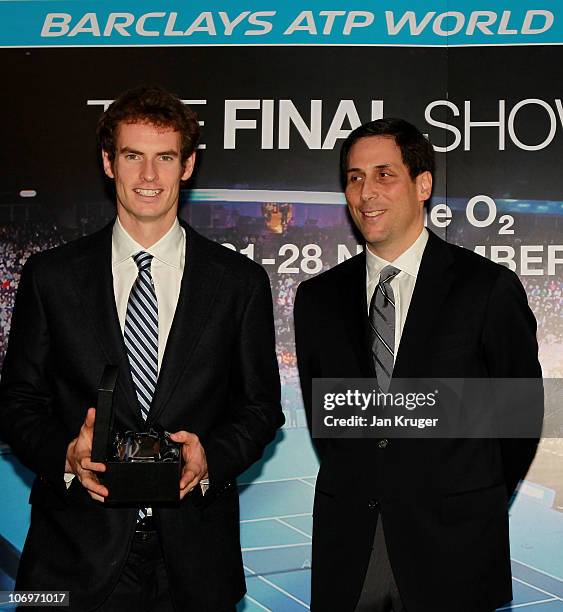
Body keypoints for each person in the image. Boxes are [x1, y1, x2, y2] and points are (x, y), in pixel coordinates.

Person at [0, 85, 283, 611]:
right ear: (109, 163)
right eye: (133, 156)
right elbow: (16, 401)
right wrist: (65, 452)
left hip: (197, 560)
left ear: (188, 165)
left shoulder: (239, 282)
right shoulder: (50, 277)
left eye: (165, 158)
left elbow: (261, 408)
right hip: (71, 558)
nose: (149, 177)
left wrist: (210, 457)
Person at [294, 118, 542, 612]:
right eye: (354, 177)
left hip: (454, 549)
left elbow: (519, 420)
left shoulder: (486, 288)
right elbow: (329, 423)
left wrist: (466, 494)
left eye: (384, 174)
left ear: (422, 184)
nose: (366, 192)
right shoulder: (317, 298)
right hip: (351, 552)